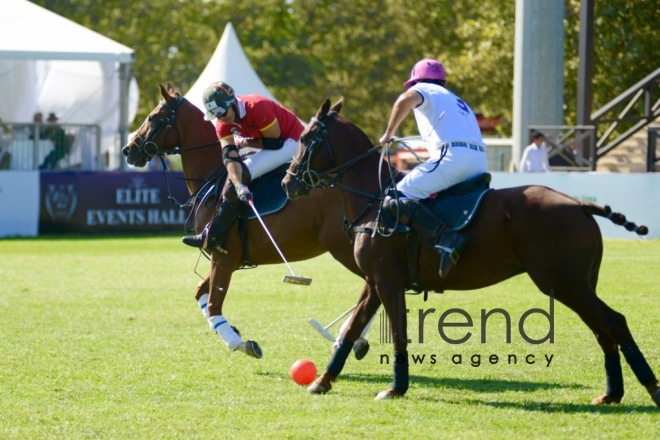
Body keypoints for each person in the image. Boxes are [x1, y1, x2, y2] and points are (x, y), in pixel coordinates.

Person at [379, 58, 488, 278]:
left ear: (415, 80)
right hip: (480, 161)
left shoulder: (421, 89)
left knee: (397, 196)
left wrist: (388, 134)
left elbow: (404, 100)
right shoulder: (457, 100)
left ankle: (446, 238)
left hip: (454, 157)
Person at [181, 81, 305, 253]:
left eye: (223, 112)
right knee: (234, 178)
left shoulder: (257, 106)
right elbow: (229, 156)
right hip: (271, 143)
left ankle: (213, 235)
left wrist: (245, 141)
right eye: (216, 115)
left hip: (292, 141)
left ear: (232, 103)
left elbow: (275, 143)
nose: (221, 118)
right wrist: (239, 185)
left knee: (244, 171)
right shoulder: (222, 124)